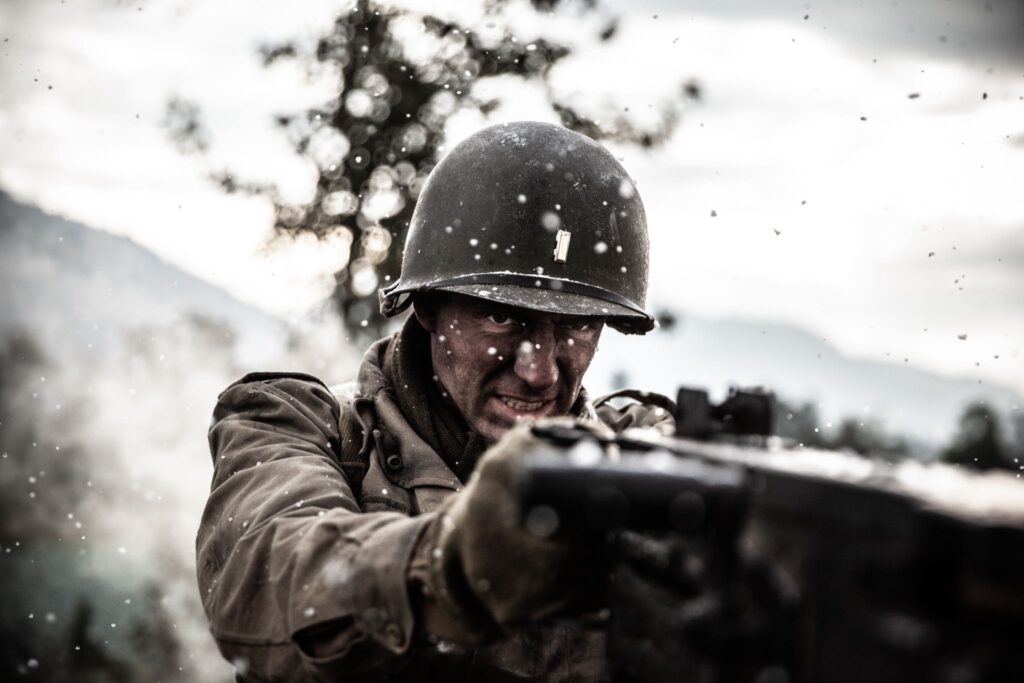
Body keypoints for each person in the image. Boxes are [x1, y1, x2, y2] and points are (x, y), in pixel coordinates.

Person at [197, 121, 675, 682]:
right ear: (427, 308)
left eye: (577, 325)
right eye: (501, 316)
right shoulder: (293, 424)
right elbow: (274, 582)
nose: (540, 370)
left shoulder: (645, 453)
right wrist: (462, 565)